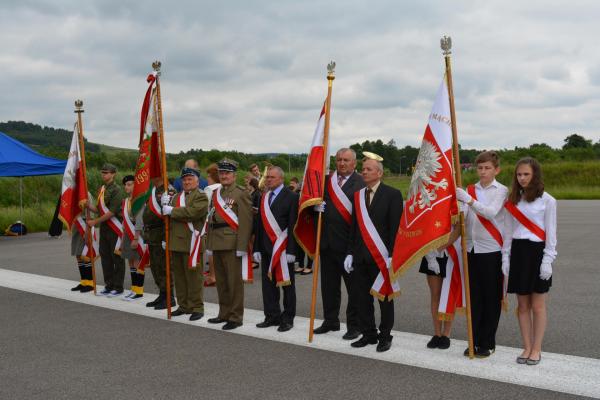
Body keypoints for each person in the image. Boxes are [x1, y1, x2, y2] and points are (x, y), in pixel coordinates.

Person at [345, 154, 403, 352]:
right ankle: (369, 334)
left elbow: (396, 228)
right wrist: (350, 252)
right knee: (361, 298)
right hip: (360, 257)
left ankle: (385, 336)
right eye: (363, 169)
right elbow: (354, 227)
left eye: (369, 169)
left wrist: (393, 255)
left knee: (385, 299)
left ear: (379, 173)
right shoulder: (358, 196)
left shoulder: (393, 194)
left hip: (382, 258)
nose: (364, 172)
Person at [502, 157, 557, 365]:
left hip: (538, 253)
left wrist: (548, 260)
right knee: (522, 305)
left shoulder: (548, 200)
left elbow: (551, 234)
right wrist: (505, 257)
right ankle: (526, 346)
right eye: (519, 174)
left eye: (526, 174)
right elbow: (507, 232)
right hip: (518, 252)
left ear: (535, 175)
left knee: (538, 306)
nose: (522, 178)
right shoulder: (513, 200)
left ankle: (537, 348)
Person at [455, 150, 508, 358]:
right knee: (474, 299)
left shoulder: (501, 191)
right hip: (471, 249)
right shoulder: (469, 189)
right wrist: (460, 207)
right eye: (480, 168)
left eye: (487, 168)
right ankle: (474, 339)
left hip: (491, 250)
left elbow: (490, 212)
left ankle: (487, 342)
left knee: (490, 299)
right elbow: (466, 218)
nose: (483, 172)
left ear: (496, 170)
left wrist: (468, 200)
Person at [313, 148, 364, 340]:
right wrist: (315, 208)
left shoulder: (361, 183)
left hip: (349, 247)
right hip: (327, 245)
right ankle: (331, 320)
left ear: (354, 163)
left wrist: (353, 249)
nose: (342, 163)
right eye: (339, 160)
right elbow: (313, 207)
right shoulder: (327, 182)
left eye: (346, 160)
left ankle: (355, 325)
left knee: (355, 289)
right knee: (329, 287)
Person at [205, 159, 253, 330]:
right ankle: (223, 313)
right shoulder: (217, 193)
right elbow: (211, 219)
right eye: (221, 173)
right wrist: (209, 243)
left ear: (234, 175)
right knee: (222, 282)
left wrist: (242, 247)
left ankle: (235, 316)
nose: (224, 176)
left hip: (232, 243)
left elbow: (246, 222)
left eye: (227, 173)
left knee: (234, 283)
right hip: (216, 241)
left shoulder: (241, 193)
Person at [253, 166, 299, 332]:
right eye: (267, 177)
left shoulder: (292, 197)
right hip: (266, 248)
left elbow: (294, 225)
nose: (268, 180)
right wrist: (256, 247)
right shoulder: (263, 196)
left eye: (272, 177)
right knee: (268, 285)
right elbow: (259, 225)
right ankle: (271, 316)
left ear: (281, 179)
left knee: (287, 285)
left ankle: (287, 318)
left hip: (284, 249)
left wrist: (293, 251)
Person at [161, 167, 208, 321]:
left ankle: (197, 307)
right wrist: (165, 206)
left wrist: (171, 210)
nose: (187, 182)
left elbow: (192, 213)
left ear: (197, 181)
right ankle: (183, 305)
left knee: (194, 278)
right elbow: (169, 219)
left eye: (190, 179)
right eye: (185, 179)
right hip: (175, 242)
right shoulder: (176, 197)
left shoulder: (201, 196)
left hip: (192, 243)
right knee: (180, 278)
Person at [419, 223, 460, 350]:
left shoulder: (456, 202)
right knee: (435, 294)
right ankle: (437, 333)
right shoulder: (426, 202)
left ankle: (446, 334)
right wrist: (430, 253)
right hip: (430, 251)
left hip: (450, 251)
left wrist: (440, 248)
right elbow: (421, 227)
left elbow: (458, 230)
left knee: (448, 294)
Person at [87, 163, 126, 297]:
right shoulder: (102, 189)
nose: (104, 174)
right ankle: (109, 285)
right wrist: (87, 205)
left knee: (116, 258)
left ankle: (118, 286)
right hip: (104, 228)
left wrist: (94, 222)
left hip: (114, 227)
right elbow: (99, 210)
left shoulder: (117, 190)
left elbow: (112, 212)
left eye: (107, 172)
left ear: (113, 174)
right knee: (105, 257)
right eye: (102, 172)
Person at [143, 177, 176, 310]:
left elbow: (168, 217)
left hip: (161, 234)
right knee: (156, 267)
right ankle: (162, 294)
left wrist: (165, 238)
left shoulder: (169, 191)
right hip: (152, 236)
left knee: (164, 267)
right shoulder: (154, 190)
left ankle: (169, 297)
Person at [120, 175, 145, 301]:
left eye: (130, 184)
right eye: (126, 184)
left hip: (137, 235)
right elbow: (124, 221)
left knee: (137, 262)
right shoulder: (125, 201)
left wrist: (136, 238)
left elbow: (139, 220)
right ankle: (134, 289)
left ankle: (139, 291)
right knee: (130, 261)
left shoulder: (138, 200)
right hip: (127, 235)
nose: (127, 187)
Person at [69, 192, 95, 294]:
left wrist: (88, 230)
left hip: (84, 224)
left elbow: (90, 213)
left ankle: (90, 283)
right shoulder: (74, 193)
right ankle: (84, 281)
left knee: (85, 254)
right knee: (78, 254)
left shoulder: (85, 193)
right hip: (77, 224)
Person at [203, 163, 221, 287]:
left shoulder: (210, 189)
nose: (207, 179)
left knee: (211, 251)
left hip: (211, 222)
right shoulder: (224, 187)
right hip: (223, 224)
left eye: (209, 176)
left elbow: (205, 208)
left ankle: (213, 276)